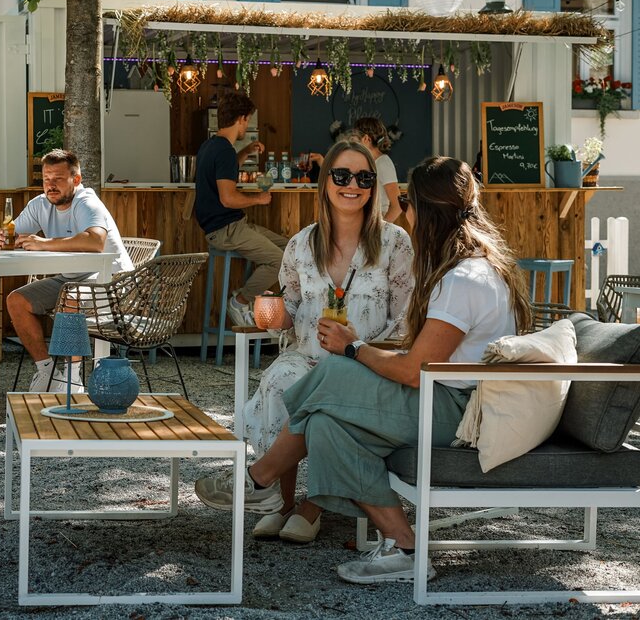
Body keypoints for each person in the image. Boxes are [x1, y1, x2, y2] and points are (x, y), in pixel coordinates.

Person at [195, 156, 532, 584]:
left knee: (335, 373)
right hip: (443, 399)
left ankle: (259, 479)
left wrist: (354, 348)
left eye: (407, 198)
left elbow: (413, 370)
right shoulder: (466, 270)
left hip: (457, 412)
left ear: (429, 209)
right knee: (324, 424)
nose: (402, 206)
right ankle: (406, 548)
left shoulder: (464, 279)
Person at [243, 139, 413, 543]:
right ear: (325, 184)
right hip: (306, 354)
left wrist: (361, 349)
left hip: (367, 360)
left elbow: (406, 317)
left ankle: (312, 506)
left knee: (328, 399)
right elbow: (290, 308)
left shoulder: (394, 243)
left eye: (364, 177)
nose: (352, 185)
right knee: (280, 383)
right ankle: (279, 502)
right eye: (341, 176)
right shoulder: (301, 244)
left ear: (373, 186)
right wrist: (275, 314)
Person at [1, 149, 133, 393]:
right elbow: (13, 233)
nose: (50, 185)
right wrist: (5, 238)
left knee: (71, 297)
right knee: (17, 301)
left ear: (76, 179)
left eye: (58, 179)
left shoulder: (87, 202)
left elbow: (95, 242)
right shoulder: (40, 204)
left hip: (113, 281)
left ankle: (73, 381)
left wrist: (44, 243)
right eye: (46, 179)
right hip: (70, 278)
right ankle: (48, 371)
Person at [195, 92, 288, 327]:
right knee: (278, 261)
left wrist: (245, 151)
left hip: (229, 226)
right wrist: (258, 199)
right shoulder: (224, 150)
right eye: (249, 119)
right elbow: (227, 198)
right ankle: (240, 300)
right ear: (242, 118)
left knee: (289, 248)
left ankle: (250, 299)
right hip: (226, 229)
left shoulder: (211, 146)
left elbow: (224, 170)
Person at [354, 117, 402, 223]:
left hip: (377, 222)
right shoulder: (367, 162)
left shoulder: (384, 162)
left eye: (355, 138)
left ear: (366, 139)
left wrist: (382, 229)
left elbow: (397, 205)